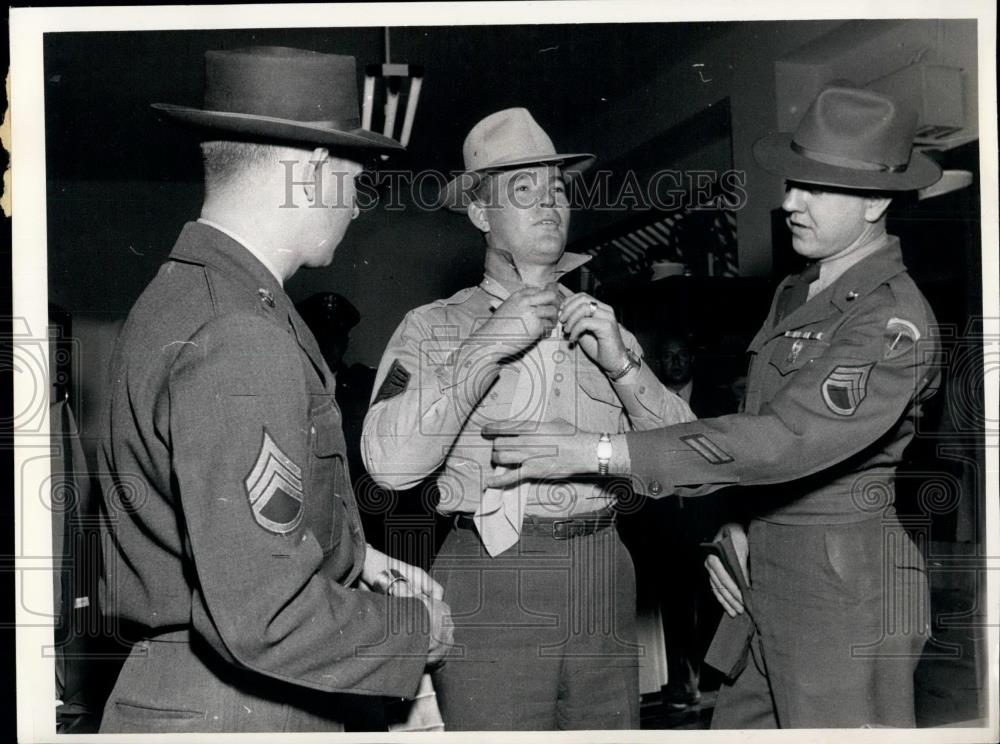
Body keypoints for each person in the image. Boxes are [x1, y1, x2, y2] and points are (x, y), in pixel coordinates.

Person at [483, 85, 943, 728]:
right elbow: (755, 436)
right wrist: (737, 525)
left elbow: (784, 440)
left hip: (845, 591)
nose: (788, 203)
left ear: (873, 201)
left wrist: (598, 452)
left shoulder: (891, 321)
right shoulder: (799, 291)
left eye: (815, 188)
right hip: (768, 576)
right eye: (792, 182)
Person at [97, 46, 452, 734]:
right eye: (356, 174)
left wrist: (358, 558)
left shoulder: (185, 295)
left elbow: (230, 523)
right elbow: (267, 614)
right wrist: (418, 630)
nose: (357, 203)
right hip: (243, 710)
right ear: (313, 170)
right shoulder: (240, 334)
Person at [361, 108, 694, 730]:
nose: (548, 205)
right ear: (481, 213)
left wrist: (624, 367)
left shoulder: (603, 323)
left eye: (557, 190)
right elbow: (388, 466)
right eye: (523, 190)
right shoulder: (434, 327)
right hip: (494, 571)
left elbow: (690, 467)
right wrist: (489, 342)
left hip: (604, 568)